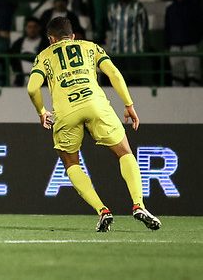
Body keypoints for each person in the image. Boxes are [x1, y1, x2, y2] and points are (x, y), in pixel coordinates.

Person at [26, 16, 162, 233]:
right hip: (96, 105)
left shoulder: (44, 55)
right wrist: (128, 104)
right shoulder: (90, 47)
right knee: (125, 153)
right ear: (72, 36)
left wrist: (42, 112)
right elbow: (114, 73)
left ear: (51, 40)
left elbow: (32, 88)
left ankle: (102, 211)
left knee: (71, 163)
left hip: (66, 112)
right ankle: (138, 204)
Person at [164, 0, 201, 86]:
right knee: (177, 79)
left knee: (194, 79)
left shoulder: (194, 8)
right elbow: (167, 29)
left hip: (191, 46)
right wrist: (168, 45)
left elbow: (199, 26)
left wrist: (196, 41)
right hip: (175, 48)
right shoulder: (170, 9)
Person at [10, 17, 48, 87]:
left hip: (42, 83)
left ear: (39, 28)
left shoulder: (46, 43)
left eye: (35, 27)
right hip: (21, 82)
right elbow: (13, 60)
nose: (32, 30)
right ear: (26, 28)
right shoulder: (18, 43)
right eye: (29, 27)